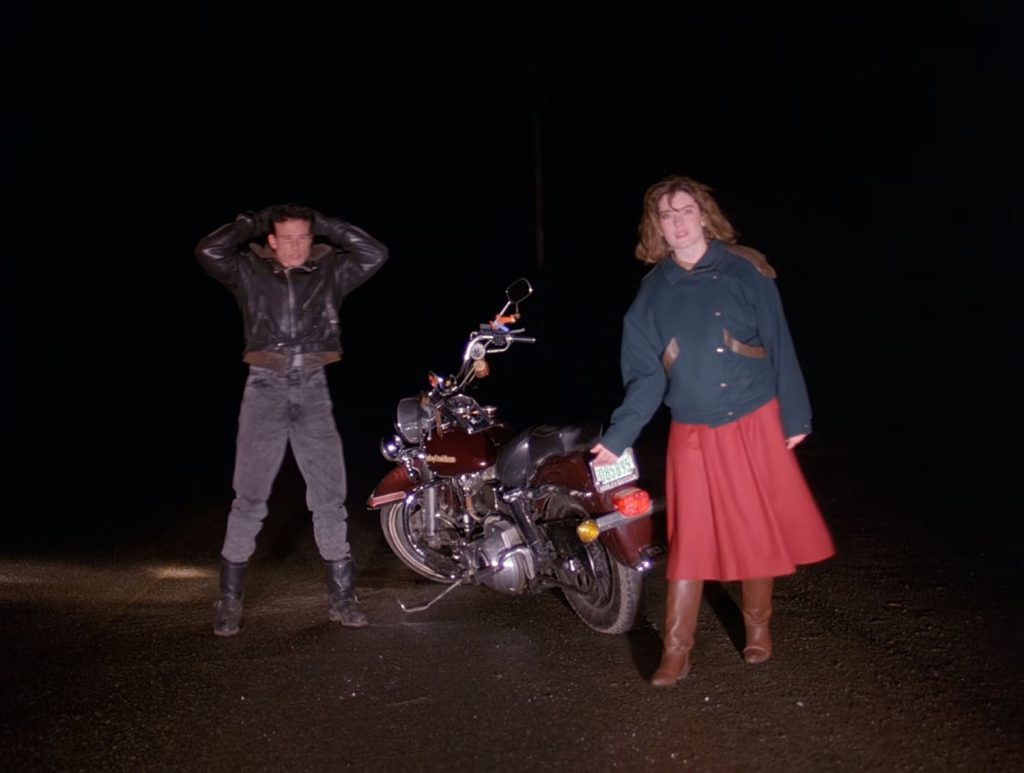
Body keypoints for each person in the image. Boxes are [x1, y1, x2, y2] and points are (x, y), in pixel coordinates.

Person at [591, 175, 834, 686]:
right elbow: (645, 376)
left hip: (753, 417)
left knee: (755, 525)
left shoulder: (746, 270)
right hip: (693, 428)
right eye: (666, 214)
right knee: (689, 536)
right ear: (655, 226)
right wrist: (617, 437)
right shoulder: (652, 293)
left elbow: (779, 342)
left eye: (684, 210)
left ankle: (758, 629)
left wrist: (795, 416)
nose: (676, 221)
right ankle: (677, 651)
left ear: (703, 214)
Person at [196, 203, 389, 636]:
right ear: (271, 240)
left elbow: (375, 254)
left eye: (304, 237)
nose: (297, 246)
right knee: (249, 497)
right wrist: (250, 221)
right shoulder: (248, 270)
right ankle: (229, 600)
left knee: (328, 496)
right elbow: (209, 251)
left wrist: (328, 225)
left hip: (313, 387)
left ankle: (342, 598)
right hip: (264, 386)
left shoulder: (329, 271)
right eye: (287, 238)